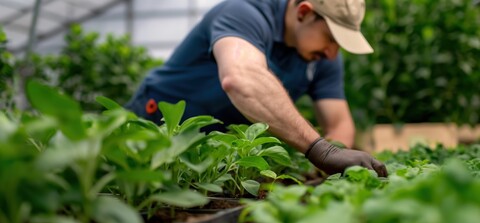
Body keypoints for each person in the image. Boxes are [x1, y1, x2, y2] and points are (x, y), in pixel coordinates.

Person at [126, 0, 388, 177]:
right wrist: (322, 151)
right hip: (153, 124)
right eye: (331, 38)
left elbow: (340, 122)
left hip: (209, 155)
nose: (333, 53)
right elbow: (241, 79)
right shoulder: (245, 12)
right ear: (304, 12)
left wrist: (333, 159)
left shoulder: (322, 58)